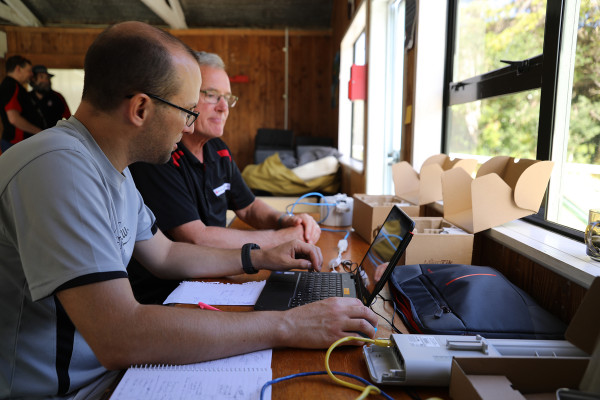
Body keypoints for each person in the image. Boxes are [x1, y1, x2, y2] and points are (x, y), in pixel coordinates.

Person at [0, 21, 377, 399]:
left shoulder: (110, 169)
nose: (189, 123)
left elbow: (166, 254)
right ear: (141, 108)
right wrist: (288, 325)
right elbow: (119, 336)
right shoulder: (57, 168)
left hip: (109, 373)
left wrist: (259, 256)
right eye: (185, 109)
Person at [128, 51, 321, 303]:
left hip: (214, 277)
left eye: (227, 98)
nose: (223, 107)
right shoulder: (158, 155)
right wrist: (277, 240)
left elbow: (249, 206)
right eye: (211, 95)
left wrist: (286, 221)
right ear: (184, 98)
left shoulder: (218, 149)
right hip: (169, 295)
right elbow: (196, 237)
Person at [0, 55, 45, 152]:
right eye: (29, 70)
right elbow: (13, 118)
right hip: (15, 143)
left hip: (20, 143)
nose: (31, 74)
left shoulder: (16, 87)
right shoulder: (11, 86)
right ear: (18, 69)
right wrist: (38, 131)